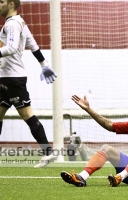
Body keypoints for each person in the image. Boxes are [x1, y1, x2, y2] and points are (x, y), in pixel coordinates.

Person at [0, 0, 57, 168]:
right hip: (5, 78)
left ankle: (48, 152)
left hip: (13, 79)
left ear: (11, 4)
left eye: (1, 1)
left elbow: (10, 48)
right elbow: (32, 44)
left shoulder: (12, 24)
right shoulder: (20, 21)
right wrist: (44, 64)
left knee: (27, 114)